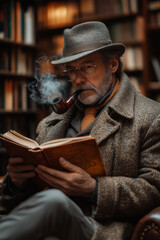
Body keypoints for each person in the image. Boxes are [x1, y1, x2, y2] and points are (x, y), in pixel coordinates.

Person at [0, 21, 160, 240]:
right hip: (51, 228)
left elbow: (154, 190)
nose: (77, 79)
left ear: (113, 64)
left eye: (87, 67)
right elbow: (26, 206)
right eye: (72, 70)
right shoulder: (51, 123)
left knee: (54, 201)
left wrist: (93, 188)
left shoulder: (151, 116)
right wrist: (15, 183)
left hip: (100, 231)